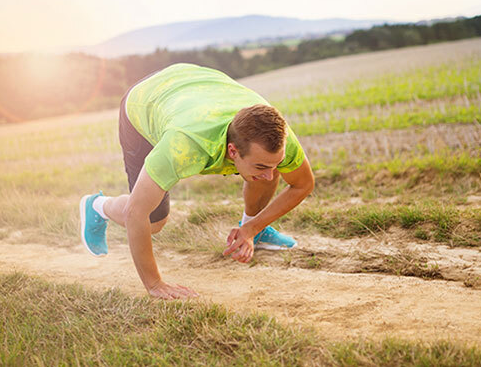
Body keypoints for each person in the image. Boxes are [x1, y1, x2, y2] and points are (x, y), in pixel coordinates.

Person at [79, 63, 315, 300]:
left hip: (196, 85)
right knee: (153, 222)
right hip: (146, 101)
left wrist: (252, 228)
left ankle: (256, 229)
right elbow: (135, 212)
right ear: (232, 151)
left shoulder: (277, 137)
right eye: (262, 165)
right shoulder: (185, 145)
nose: (271, 173)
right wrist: (154, 284)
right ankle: (98, 206)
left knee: (265, 173)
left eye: (277, 163)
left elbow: (303, 184)